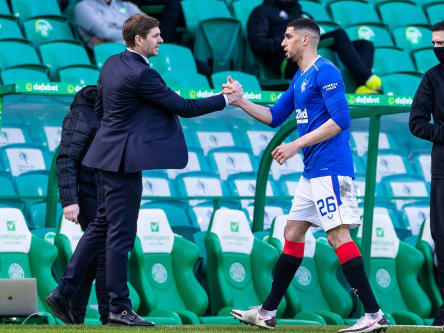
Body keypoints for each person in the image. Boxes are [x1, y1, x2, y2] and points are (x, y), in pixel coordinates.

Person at [46, 13, 243, 327]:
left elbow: (103, 112)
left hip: (105, 158)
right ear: (139, 39)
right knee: (119, 236)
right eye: (155, 35)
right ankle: (117, 309)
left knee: (101, 229)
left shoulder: (110, 64)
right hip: (123, 162)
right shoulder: (142, 75)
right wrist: (225, 98)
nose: (161, 40)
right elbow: (184, 107)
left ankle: (65, 292)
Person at [227, 18, 387, 332]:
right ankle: (267, 312)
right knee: (293, 232)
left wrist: (296, 144)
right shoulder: (300, 77)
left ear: (304, 40)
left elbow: (341, 119)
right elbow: (274, 117)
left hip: (330, 169)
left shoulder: (325, 71)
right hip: (313, 172)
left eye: (287, 37)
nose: (282, 42)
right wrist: (240, 100)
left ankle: (373, 314)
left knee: (337, 236)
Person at [56, 85, 109, 325]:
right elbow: (66, 157)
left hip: (107, 197)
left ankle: (72, 315)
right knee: (105, 256)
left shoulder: (107, 112)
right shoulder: (81, 113)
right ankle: (110, 317)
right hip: (88, 196)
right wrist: (70, 201)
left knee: (92, 262)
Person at [248, 0, 381, 94]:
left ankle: (361, 87)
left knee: (365, 45)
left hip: (309, 50)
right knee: (338, 35)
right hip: (289, 61)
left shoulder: (301, 13)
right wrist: (289, 40)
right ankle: (366, 78)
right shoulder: (262, 11)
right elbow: (258, 44)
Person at [409, 20, 444, 326]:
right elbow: (416, 122)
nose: (437, 50)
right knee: (443, 240)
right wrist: (443, 131)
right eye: (434, 44)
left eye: (442, 44)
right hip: (443, 172)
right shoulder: (432, 78)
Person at [75, 0, 142, 49]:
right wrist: (138, 33)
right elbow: (105, 33)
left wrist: (113, 33)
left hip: (137, 49)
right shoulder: (83, 6)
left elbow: (149, 26)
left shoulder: (126, 5)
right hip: (109, 53)